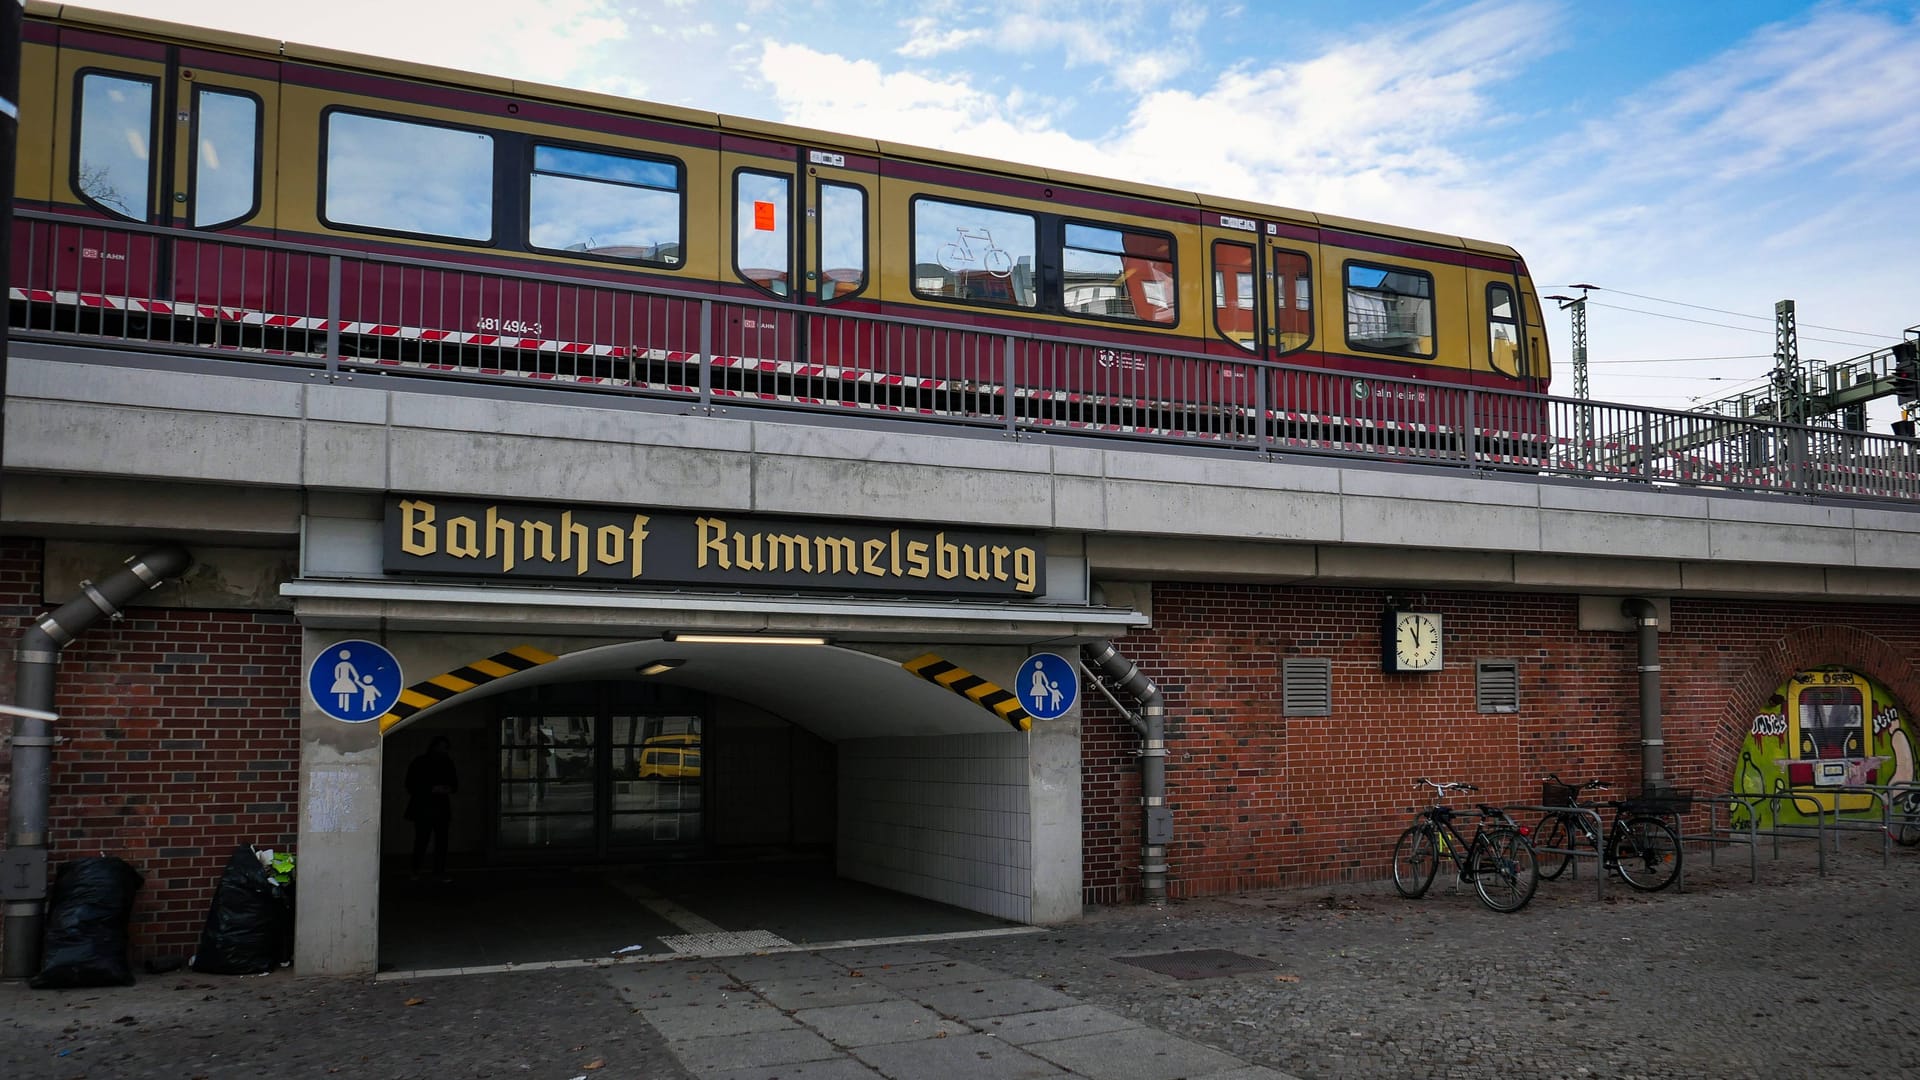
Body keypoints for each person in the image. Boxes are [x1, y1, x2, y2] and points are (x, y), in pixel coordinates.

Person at [404, 736, 458, 882]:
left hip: (424, 806)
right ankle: (434, 871)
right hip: (435, 807)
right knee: (432, 841)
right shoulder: (445, 762)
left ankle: (418, 870)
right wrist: (438, 789)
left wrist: (433, 789)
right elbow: (411, 784)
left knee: (425, 840)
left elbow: (411, 784)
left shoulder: (421, 762)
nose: (443, 751)